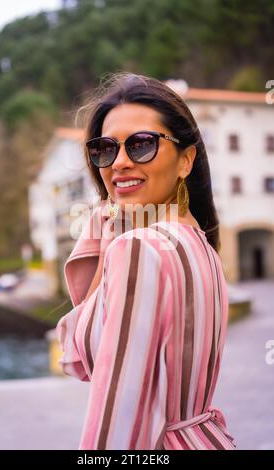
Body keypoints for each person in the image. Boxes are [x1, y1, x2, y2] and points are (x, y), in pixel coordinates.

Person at [56, 72, 237, 450]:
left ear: (186, 159)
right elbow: (85, 354)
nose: (119, 162)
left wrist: (113, 243)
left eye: (141, 144)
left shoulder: (140, 249)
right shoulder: (202, 246)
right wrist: (109, 241)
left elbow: (116, 418)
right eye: (105, 149)